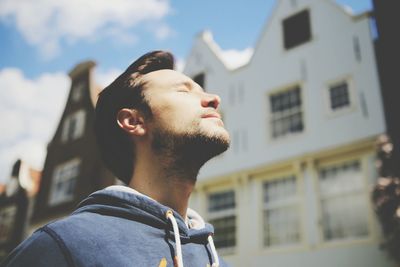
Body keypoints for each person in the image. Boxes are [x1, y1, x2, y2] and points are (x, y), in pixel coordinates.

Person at [1, 51, 230, 267]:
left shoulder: (217, 262)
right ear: (134, 121)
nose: (214, 98)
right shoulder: (61, 246)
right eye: (184, 90)